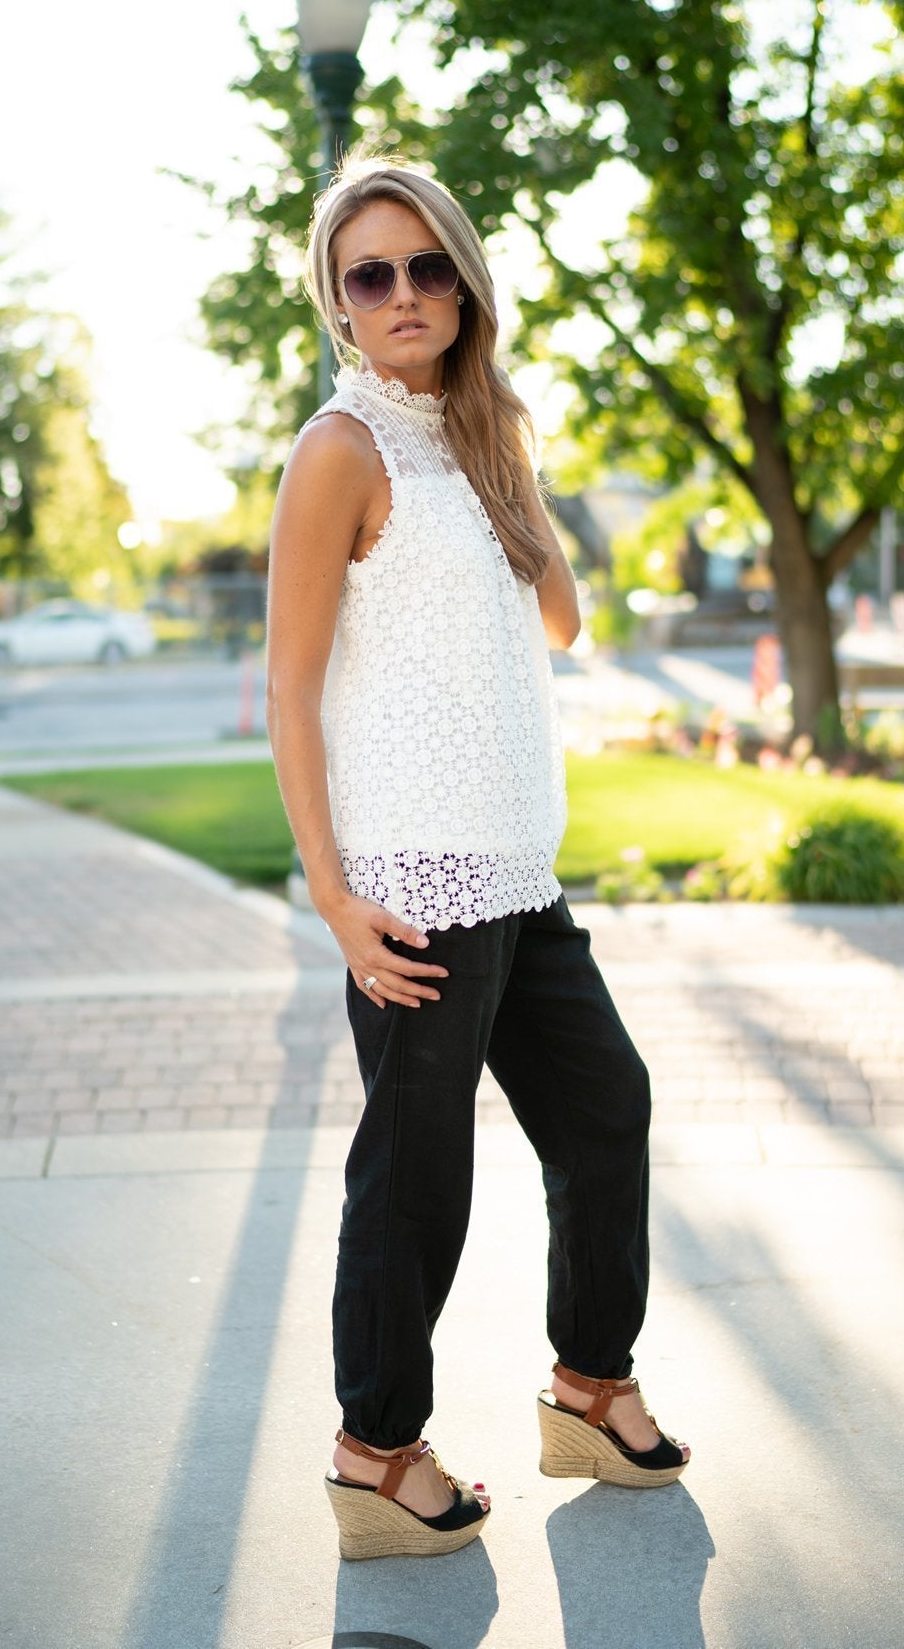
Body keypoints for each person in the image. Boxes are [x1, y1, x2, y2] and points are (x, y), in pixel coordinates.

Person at [265, 153, 690, 1562]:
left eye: (426, 266)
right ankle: (376, 1450)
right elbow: (287, 686)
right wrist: (333, 896)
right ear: (336, 300)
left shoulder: (471, 434)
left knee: (605, 1110)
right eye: (369, 274)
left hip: (517, 870)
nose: (402, 293)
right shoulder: (342, 451)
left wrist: (509, 457)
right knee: (418, 1178)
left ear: (463, 279)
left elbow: (559, 623)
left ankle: (587, 1383)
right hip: (414, 888)